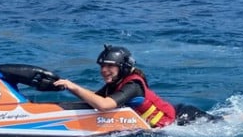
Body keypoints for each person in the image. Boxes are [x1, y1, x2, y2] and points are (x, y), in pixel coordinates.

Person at [54, 45, 217, 127]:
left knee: (226, 123)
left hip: (184, 119)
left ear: (123, 68)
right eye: (102, 66)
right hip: (176, 113)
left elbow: (103, 105)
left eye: (110, 66)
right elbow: (94, 101)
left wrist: (72, 86)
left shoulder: (133, 85)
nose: (104, 70)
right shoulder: (114, 84)